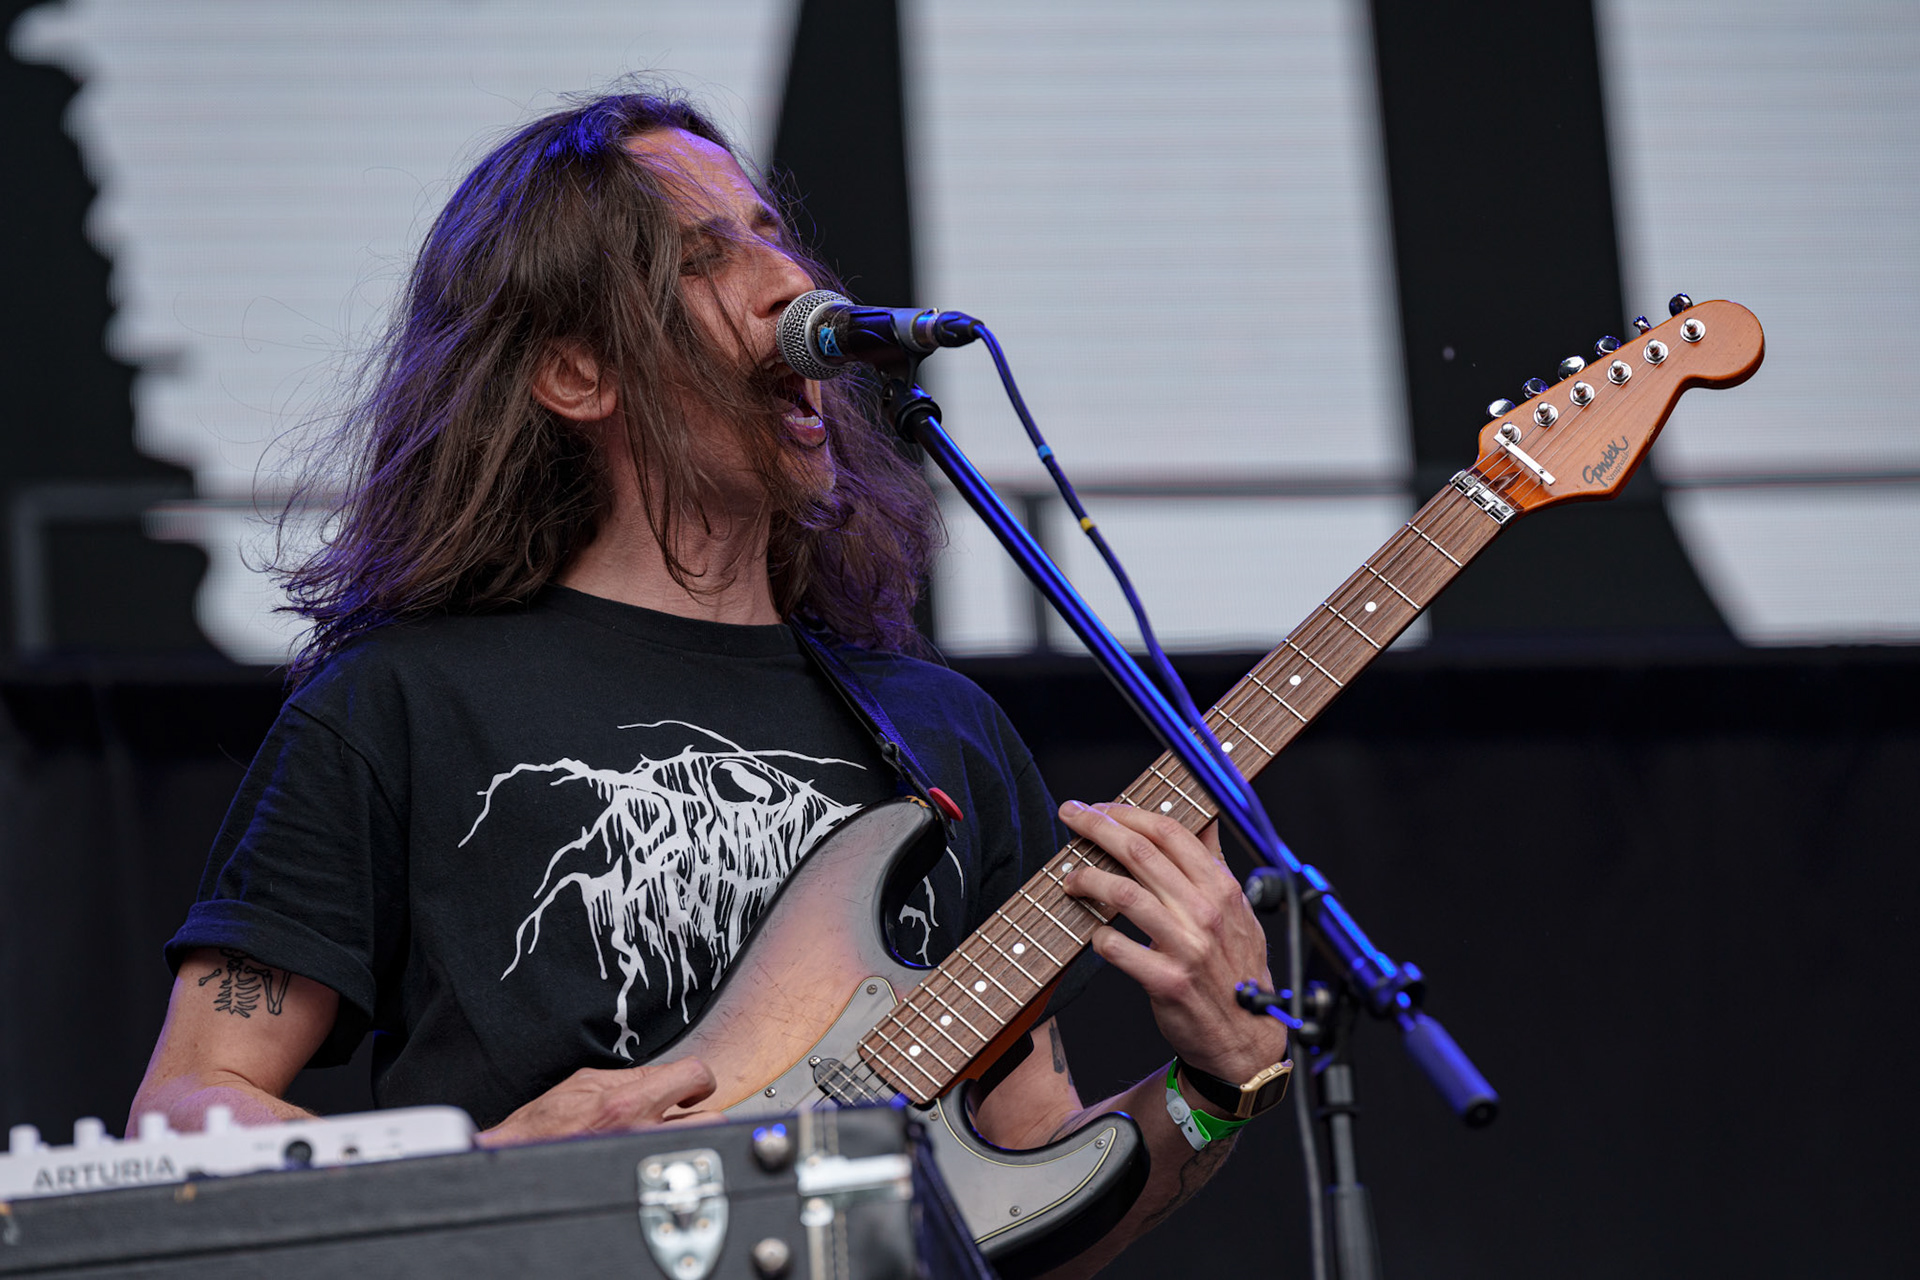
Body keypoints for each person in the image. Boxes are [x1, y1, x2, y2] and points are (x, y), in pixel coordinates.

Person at [131, 89, 1290, 1275]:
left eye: (770, 231)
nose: (788, 279)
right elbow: (186, 1111)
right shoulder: (399, 703)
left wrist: (1220, 1080)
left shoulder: (941, 733)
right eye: (704, 256)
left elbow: (1033, 1201)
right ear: (577, 374)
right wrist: (482, 1173)